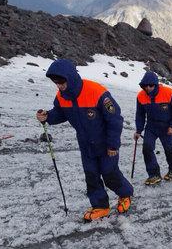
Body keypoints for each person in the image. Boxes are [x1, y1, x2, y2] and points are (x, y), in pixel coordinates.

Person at [36, 59, 133, 222]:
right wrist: (47, 117)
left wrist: (113, 144)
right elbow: (60, 114)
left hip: (106, 142)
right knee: (91, 175)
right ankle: (100, 206)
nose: (59, 85)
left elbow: (115, 119)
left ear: (71, 77)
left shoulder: (96, 92)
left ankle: (125, 194)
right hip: (85, 144)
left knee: (109, 173)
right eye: (55, 82)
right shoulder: (61, 96)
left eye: (61, 81)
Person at [134, 71, 172, 185]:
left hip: (167, 126)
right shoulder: (140, 96)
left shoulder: (168, 92)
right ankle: (154, 174)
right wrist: (138, 130)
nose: (148, 88)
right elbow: (140, 114)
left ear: (156, 84)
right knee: (147, 148)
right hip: (151, 126)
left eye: (151, 85)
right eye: (145, 86)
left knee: (169, 149)